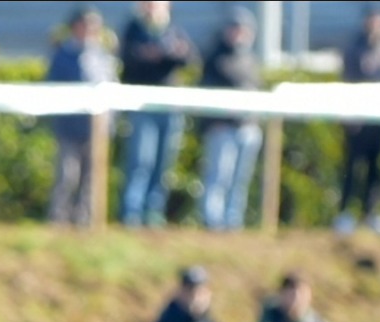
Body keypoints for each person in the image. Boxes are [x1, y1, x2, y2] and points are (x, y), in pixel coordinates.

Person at [118, 0, 196, 227]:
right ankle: (131, 212)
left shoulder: (174, 29)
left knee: (163, 162)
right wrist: (156, 56)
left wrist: (161, 55)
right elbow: (130, 61)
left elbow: (189, 57)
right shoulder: (133, 28)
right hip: (142, 106)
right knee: (140, 161)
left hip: (169, 107)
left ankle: (153, 212)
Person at [45, 5, 117, 226]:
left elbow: (112, 88)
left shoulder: (103, 56)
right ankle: (59, 219)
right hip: (69, 127)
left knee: (92, 178)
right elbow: (52, 89)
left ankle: (86, 221)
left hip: (96, 129)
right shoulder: (63, 55)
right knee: (68, 175)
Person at [334, 3, 380, 235]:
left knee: (375, 170)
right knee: (352, 168)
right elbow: (349, 82)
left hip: (378, 121)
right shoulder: (354, 49)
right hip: (357, 122)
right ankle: (345, 214)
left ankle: (371, 214)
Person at [197, 6, 262, 231]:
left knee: (240, 179)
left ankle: (233, 221)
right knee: (218, 176)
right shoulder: (215, 57)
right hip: (222, 127)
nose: (238, 34)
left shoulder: (250, 58)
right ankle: (212, 220)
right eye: (235, 28)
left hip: (247, 127)